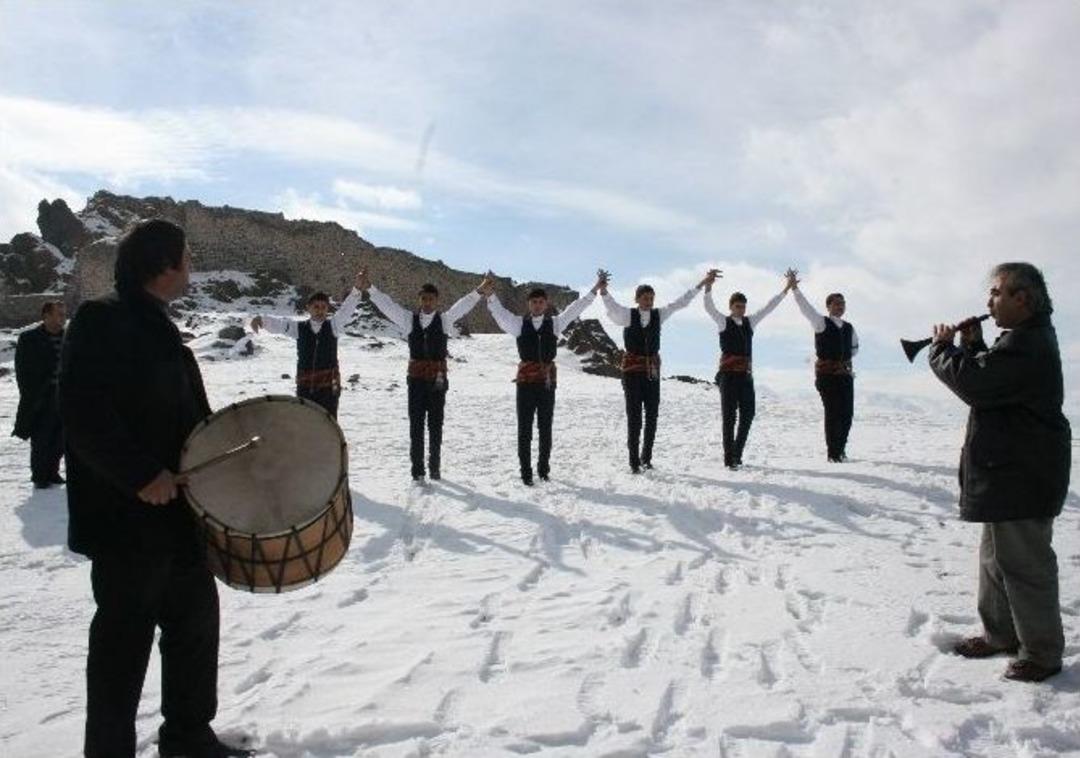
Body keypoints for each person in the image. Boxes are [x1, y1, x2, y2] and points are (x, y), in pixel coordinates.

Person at [59, 219, 251, 757]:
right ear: (164, 266)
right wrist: (141, 475)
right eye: (186, 257)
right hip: (127, 524)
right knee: (122, 646)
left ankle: (188, 737)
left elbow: (186, 419)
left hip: (177, 521)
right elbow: (82, 413)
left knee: (194, 627)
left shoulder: (161, 328)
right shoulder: (101, 319)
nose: (191, 266)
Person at [929, 262, 1071, 683]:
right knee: (995, 560)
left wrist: (943, 349)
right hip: (1009, 474)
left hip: (1022, 477)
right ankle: (999, 635)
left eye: (996, 294)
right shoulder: (1020, 341)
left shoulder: (1028, 344)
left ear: (1022, 298)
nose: (988, 302)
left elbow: (978, 385)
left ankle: (1042, 653)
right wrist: (973, 346)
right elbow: (993, 382)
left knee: (1025, 565)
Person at [359, 270, 488, 481]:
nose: (427, 302)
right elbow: (387, 306)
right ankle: (417, 470)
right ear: (419, 300)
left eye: (431, 299)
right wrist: (370, 288)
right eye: (424, 299)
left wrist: (480, 291)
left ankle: (434, 467)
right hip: (416, 382)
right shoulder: (409, 320)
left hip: (437, 382)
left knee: (436, 426)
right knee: (416, 426)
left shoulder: (445, 320)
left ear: (437, 301)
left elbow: (463, 305)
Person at [482, 273, 605, 485]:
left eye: (541, 302)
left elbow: (576, 307)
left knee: (545, 427)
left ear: (546, 304)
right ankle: (526, 472)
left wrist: (595, 289)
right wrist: (490, 294)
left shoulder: (556, 323)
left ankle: (543, 469)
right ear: (529, 304)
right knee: (525, 428)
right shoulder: (518, 324)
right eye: (534, 302)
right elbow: (499, 314)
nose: (538, 305)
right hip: (525, 383)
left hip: (547, 382)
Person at [602, 270, 718, 473]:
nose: (649, 301)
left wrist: (701, 284)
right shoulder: (628, 315)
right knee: (634, 416)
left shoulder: (659, 315)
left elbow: (681, 302)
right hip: (631, 372)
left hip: (652, 372)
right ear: (637, 299)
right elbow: (611, 305)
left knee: (652, 415)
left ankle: (646, 457)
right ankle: (634, 461)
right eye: (645, 298)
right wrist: (603, 290)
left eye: (651, 298)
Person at [704, 273, 792, 469]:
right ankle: (729, 459)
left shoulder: (750, 323)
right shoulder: (722, 322)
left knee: (748, 413)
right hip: (727, 376)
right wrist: (708, 287)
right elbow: (709, 308)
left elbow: (768, 307)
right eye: (737, 306)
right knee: (729, 417)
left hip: (745, 376)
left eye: (743, 306)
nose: (741, 310)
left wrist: (785, 290)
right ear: (731, 307)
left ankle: (737, 453)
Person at [250, 272, 365, 418]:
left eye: (323, 307)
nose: (320, 310)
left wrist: (357, 290)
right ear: (308, 308)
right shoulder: (299, 328)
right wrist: (261, 320)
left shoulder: (334, 326)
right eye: (316, 307)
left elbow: (346, 310)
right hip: (304, 387)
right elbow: (281, 325)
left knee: (327, 424)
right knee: (305, 423)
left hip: (329, 388)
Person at [790, 272, 859, 462]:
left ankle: (841, 449)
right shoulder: (820, 322)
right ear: (828, 306)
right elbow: (805, 307)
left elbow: (854, 348)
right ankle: (833, 453)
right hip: (826, 376)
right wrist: (795, 288)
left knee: (847, 413)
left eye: (842, 303)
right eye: (837, 303)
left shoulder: (849, 327)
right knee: (833, 412)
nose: (840, 306)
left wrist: (842, 362)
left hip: (845, 375)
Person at [13, 300, 67, 488]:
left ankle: (53, 472)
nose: (62, 318)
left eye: (63, 314)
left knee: (61, 439)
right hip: (42, 397)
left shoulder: (69, 338)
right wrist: (30, 395)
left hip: (65, 397)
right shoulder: (29, 339)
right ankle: (40, 475)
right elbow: (22, 370)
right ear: (46, 316)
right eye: (58, 314)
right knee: (42, 438)